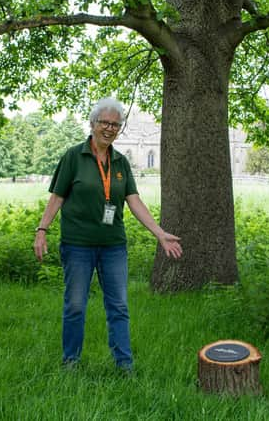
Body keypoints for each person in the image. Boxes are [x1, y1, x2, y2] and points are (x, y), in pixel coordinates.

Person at [33, 97, 182, 372]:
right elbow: (57, 197)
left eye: (115, 124)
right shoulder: (73, 157)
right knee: (75, 306)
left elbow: (134, 201)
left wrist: (160, 234)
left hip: (113, 247)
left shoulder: (121, 162)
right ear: (92, 124)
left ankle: (124, 365)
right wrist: (42, 230)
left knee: (119, 307)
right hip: (78, 245)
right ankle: (71, 362)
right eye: (105, 123)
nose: (110, 128)